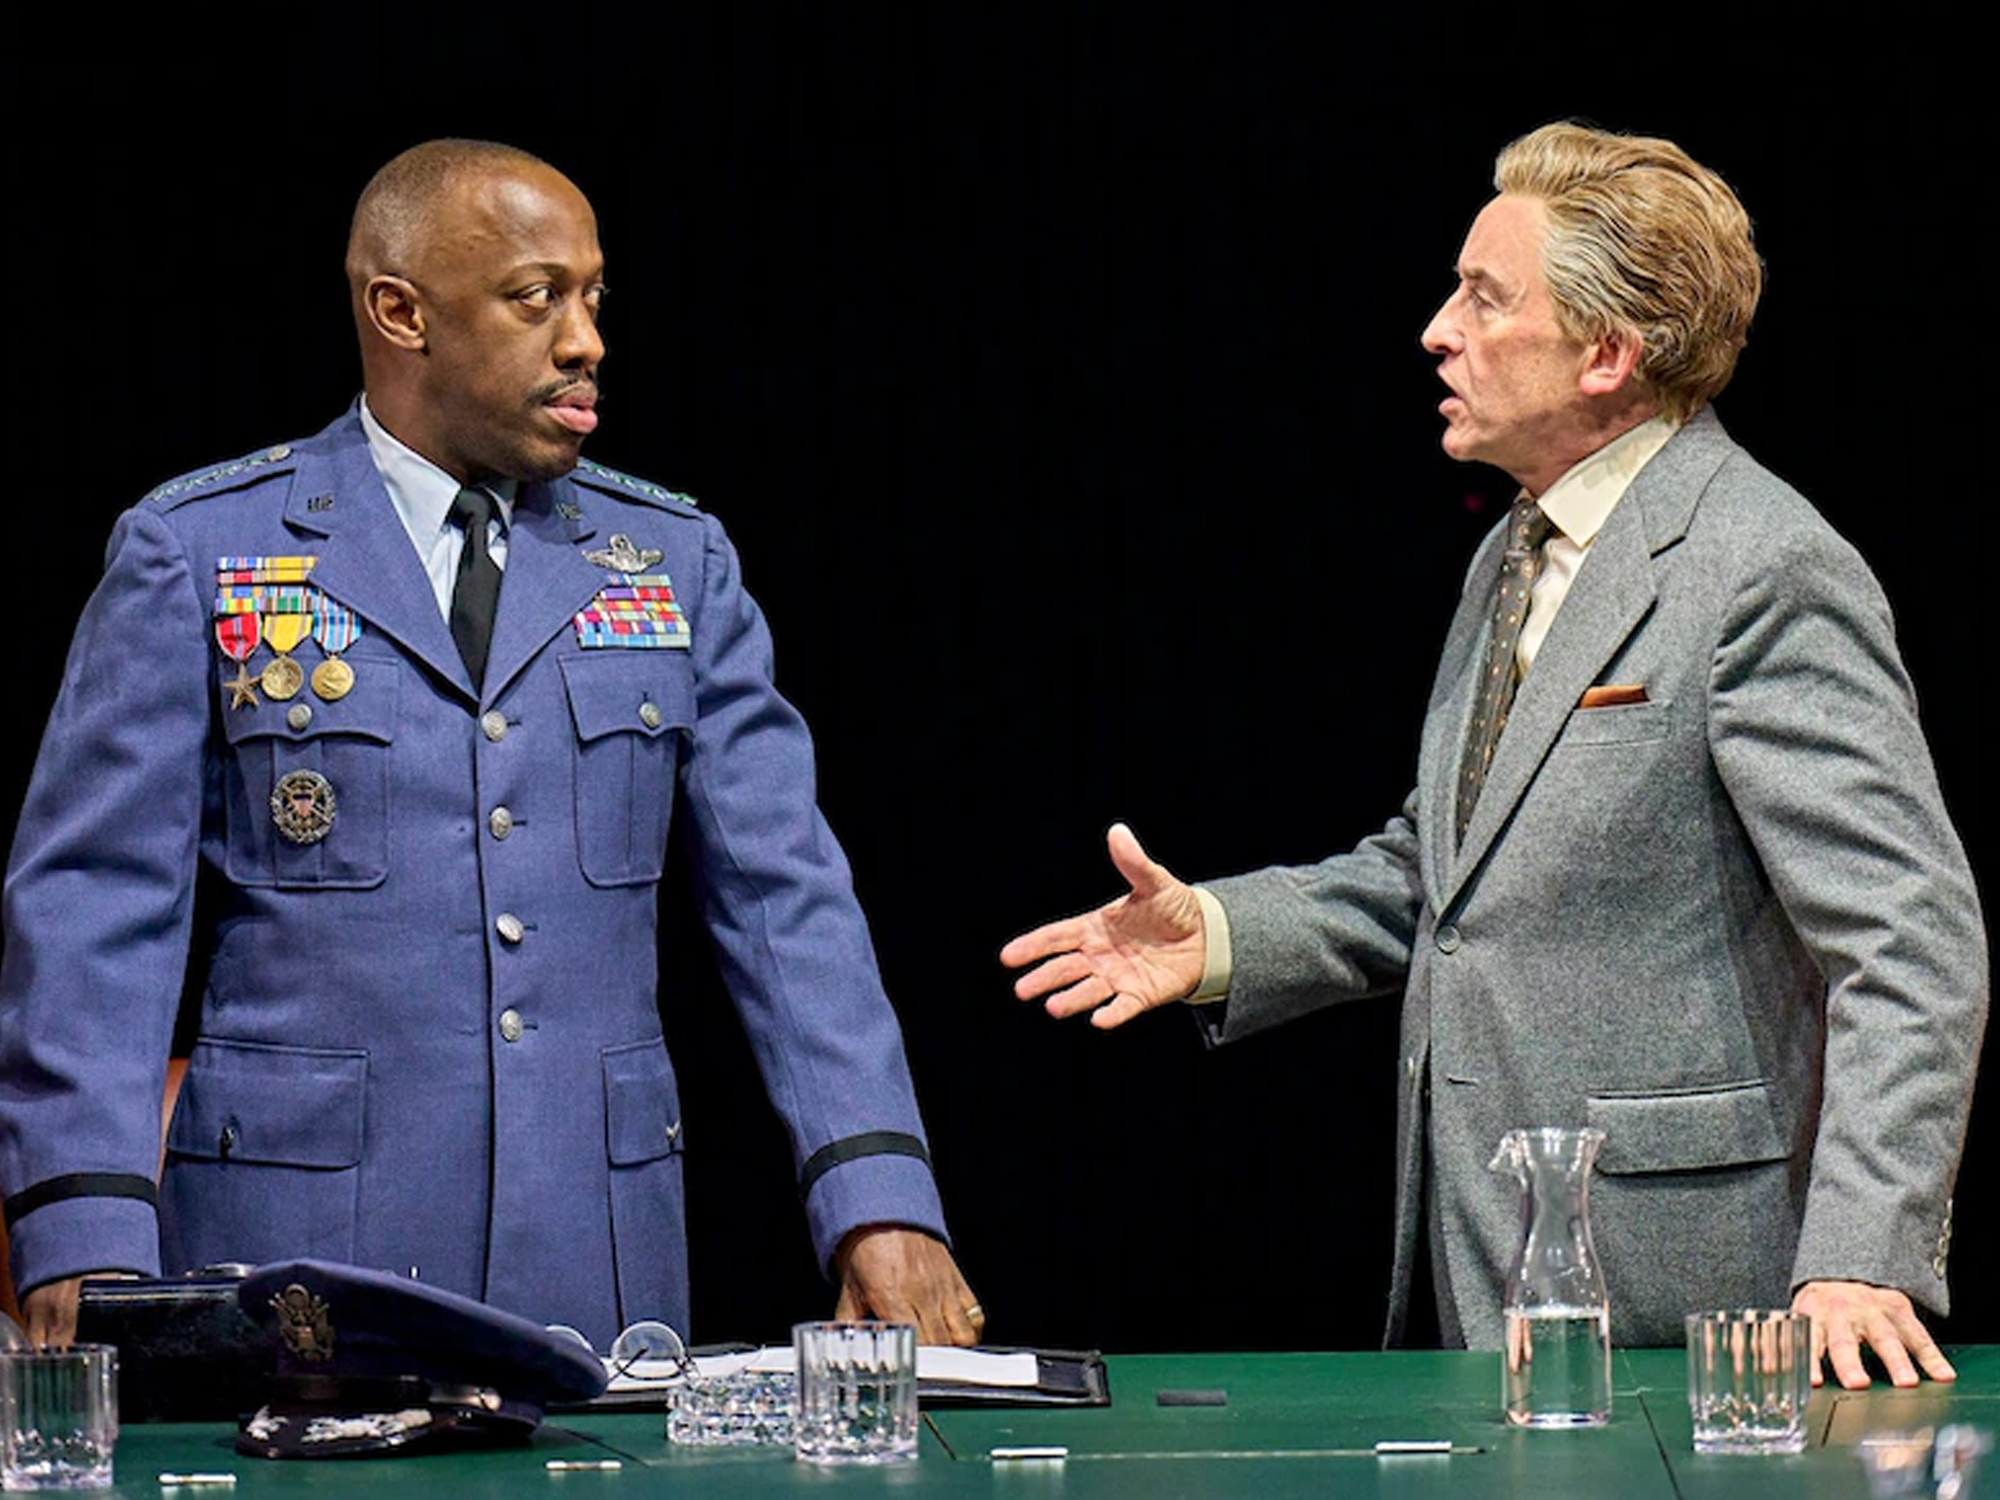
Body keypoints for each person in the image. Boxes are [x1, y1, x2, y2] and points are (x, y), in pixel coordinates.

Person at [1002, 122, 1986, 1390]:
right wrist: (1225, 937)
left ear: (1606, 354)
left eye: (1483, 297)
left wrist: (1861, 1255)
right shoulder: (1513, 553)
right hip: (1492, 1262)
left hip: (1691, 1303)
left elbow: (1907, 938)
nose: (1436, 330)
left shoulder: (1760, 568)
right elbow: (1448, 876)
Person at [0, 139, 982, 1351]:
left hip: (592, 1261)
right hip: (294, 1260)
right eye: (536, 298)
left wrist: (876, 1195)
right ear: (401, 313)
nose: (585, 341)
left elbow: (787, 900)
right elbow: (95, 909)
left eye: (593, 297)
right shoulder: (202, 550)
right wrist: (82, 1230)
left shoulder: (669, 562)